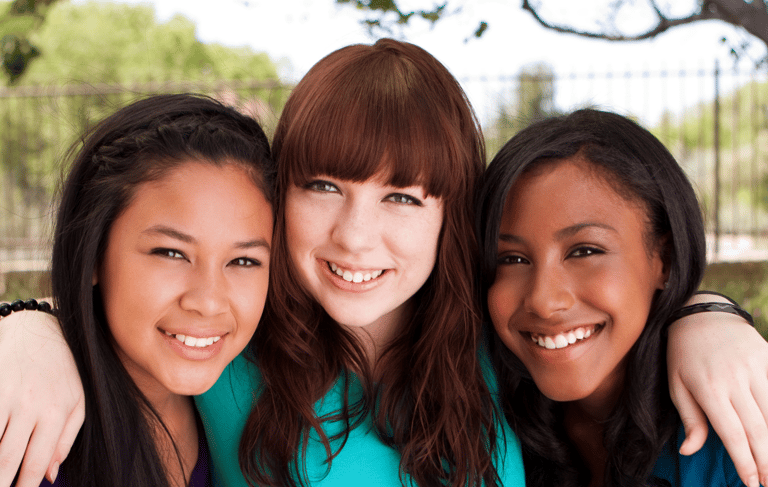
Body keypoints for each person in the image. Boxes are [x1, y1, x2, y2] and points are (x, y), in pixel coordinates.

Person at [1, 40, 767, 487]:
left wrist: (707, 314)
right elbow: (139, 311)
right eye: (324, 186)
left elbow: (599, 325)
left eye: (403, 197)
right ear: (280, 194)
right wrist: (28, 324)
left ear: (451, 215)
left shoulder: (503, 350)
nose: (355, 237)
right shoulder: (234, 343)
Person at [478, 108, 766, 486]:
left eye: (584, 251)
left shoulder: (739, 430)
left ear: (665, 257)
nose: (544, 301)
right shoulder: (476, 417)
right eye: (512, 259)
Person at [1, 93, 275, 487]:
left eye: (244, 261)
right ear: (93, 252)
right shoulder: (25, 423)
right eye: (171, 253)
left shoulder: (246, 395)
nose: (208, 301)